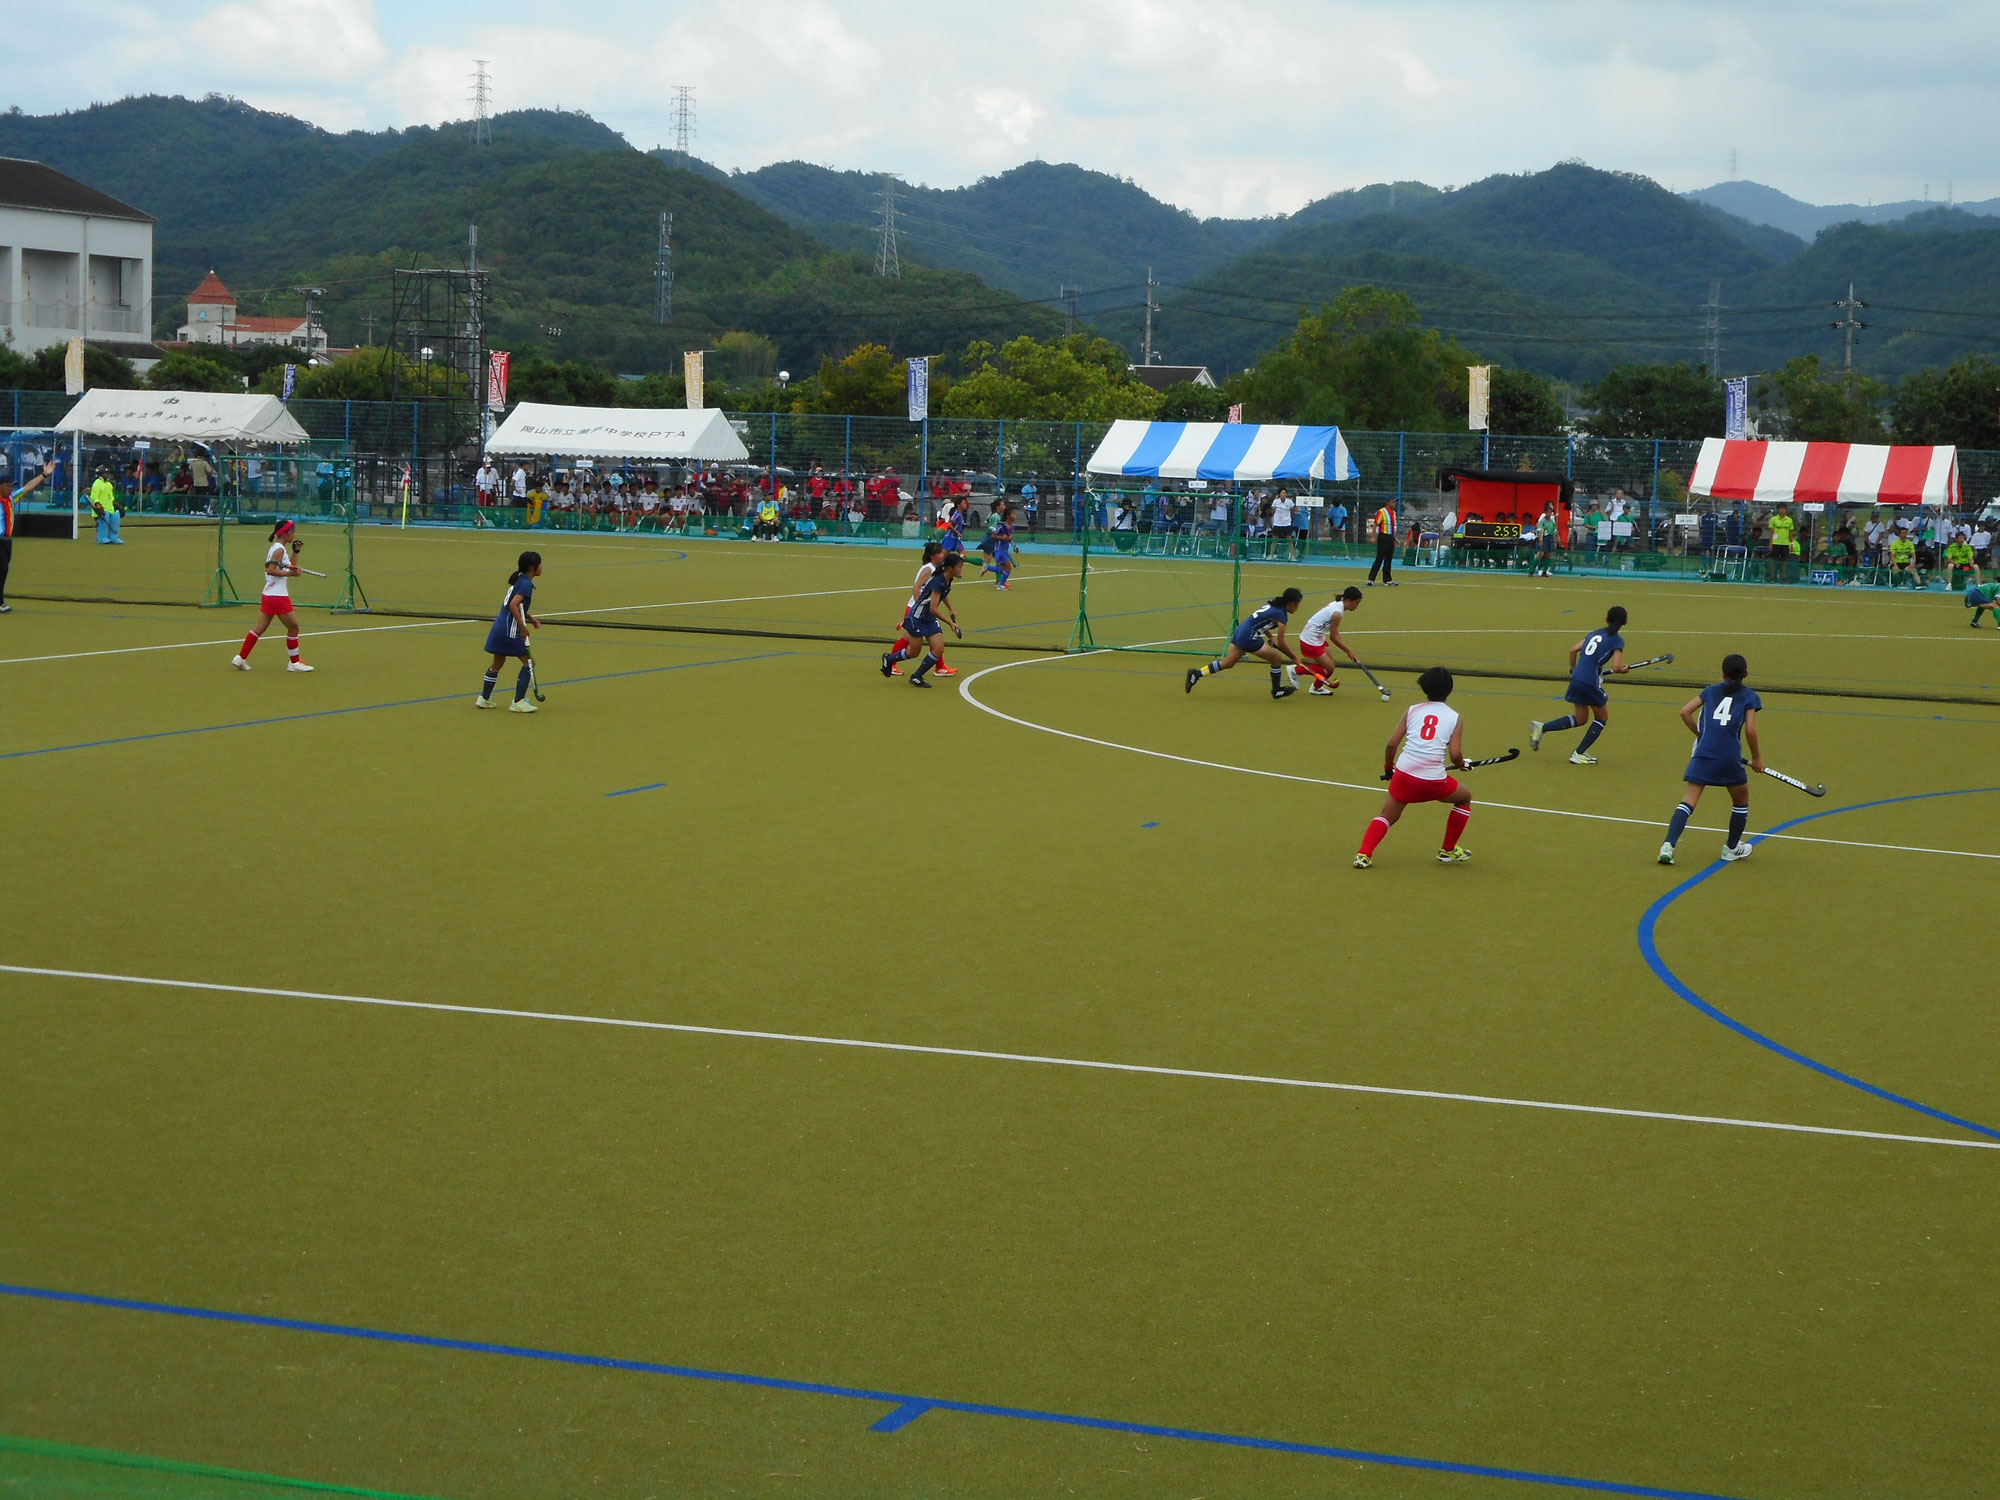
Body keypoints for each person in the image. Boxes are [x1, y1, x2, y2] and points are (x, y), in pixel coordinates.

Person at [1354, 666, 1475, 868]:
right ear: (1449, 690)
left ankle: (1363, 854)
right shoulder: (1455, 717)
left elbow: (1391, 745)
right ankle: (1447, 850)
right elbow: (1455, 755)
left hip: (1403, 775)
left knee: (1387, 816)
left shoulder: (1412, 710)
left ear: (1425, 689)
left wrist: (1388, 768)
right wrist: (1462, 765)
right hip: (1433, 782)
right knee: (1464, 798)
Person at [1658, 654, 1762, 865]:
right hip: (1729, 757)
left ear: (1722, 674)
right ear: (1746, 675)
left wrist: (1701, 736)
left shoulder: (1710, 691)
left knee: (1688, 801)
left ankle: (1668, 846)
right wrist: (1757, 758)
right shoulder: (1750, 696)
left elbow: (1685, 712)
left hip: (1703, 753)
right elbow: (1750, 730)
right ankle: (1731, 848)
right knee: (1741, 801)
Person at [1530, 605, 1629, 764]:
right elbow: (1617, 667)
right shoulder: (1618, 641)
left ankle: (1541, 728)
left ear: (1606, 619)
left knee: (1581, 718)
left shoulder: (1595, 633)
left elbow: (1573, 650)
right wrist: (1622, 670)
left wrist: (1574, 670)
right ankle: (1579, 753)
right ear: (1626, 622)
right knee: (1602, 716)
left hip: (1576, 678)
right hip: (1590, 682)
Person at [1184, 588, 1304, 700]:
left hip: (1241, 631)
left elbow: (1259, 621)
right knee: (1276, 658)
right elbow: (1281, 643)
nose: (1298, 607)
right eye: (1298, 604)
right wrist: (1294, 657)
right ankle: (1277, 690)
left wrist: (1270, 636)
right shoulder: (1281, 614)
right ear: (1292, 603)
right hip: (1249, 637)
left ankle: (1196, 674)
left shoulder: (1272, 605)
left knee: (1228, 663)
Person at [231, 519, 314, 673]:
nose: (294, 534)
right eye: (293, 531)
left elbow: (291, 567)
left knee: (259, 629)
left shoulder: (280, 548)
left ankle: (241, 658)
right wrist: (290, 574)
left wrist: (296, 553)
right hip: (277, 595)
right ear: (286, 533)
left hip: (269, 594)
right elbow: (270, 570)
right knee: (293, 627)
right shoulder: (279, 550)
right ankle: (294, 663)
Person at [882, 551, 963, 687]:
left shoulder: (947, 580)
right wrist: (950, 623)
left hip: (929, 619)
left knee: (938, 648)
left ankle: (917, 677)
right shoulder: (938, 581)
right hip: (917, 618)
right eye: (960, 566)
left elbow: (943, 594)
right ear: (950, 568)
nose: (961, 569)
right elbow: (933, 608)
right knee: (914, 652)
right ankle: (889, 659)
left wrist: (950, 608)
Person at [478, 550, 543, 713]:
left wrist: (530, 618)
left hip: (499, 627)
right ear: (532, 567)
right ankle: (518, 702)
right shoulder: (526, 584)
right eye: (540, 564)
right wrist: (523, 627)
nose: (542, 567)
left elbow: (516, 607)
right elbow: (514, 605)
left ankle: (484, 698)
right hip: (509, 631)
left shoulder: (520, 580)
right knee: (529, 663)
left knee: (497, 663)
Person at [0, 459, 56, 613]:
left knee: (3, 571)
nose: (11, 488)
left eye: (12, 485)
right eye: (9, 485)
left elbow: (28, 487)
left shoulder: (11, 498)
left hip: (6, 541)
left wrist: (44, 475)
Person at [1295, 586, 1365, 695]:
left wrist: (1347, 650)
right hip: (1310, 639)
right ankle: (1295, 671)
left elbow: (1335, 633)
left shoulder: (1338, 606)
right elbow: (1333, 637)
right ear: (1348, 600)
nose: (1357, 606)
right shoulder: (1337, 613)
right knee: (1329, 668)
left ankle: (1316, 688)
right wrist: (1348, 651)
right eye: (1357, 603)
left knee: (1329, 666)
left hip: (1317, 636)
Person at [986, 504, 1017, 589]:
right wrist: (1003, 538)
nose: (1015, 516)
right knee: (1008, 567)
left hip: (1005, 549)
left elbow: (1009, 537)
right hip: (999, 549)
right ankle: (1000, 585)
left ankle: (988, 568)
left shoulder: (1012, 526)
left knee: (1005, 569)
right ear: (1008, 516)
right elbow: (993, 535)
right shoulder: (1001, 526)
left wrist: (1010, 539)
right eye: (1013, 514)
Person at [89, 467, 123, 544]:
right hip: (102, 509)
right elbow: (94, 496)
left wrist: (115, 504)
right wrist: (98, 505)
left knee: (115, 519)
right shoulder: (97, 483)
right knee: (103, 523)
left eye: (107, 473)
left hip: (110, 508)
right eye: (105, 473)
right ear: (100, 474)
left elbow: (111, 497)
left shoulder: (109, 484)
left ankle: (114, 538)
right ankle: (102, 538)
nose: (107, 474)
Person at [1367, 500, 1398, 585]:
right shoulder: (1382, 511)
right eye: (1393, 502)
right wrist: (1373, 536)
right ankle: (1371, 579)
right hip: (1383, 537)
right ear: (1388, 502)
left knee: (1388, 559)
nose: (1394, 504)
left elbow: (1393, 526)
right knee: (1379, 558)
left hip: (1390, 538)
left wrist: (1395, 538)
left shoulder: (1393, 513)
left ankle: (1387, 580)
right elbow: (1375, 524)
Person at [1533, 501, 1558, 576]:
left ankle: (1545, 569)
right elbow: (1538, 525)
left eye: (1552, 506)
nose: (1551, 507)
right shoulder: (1543, 516)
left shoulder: (1552, 517)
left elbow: (1554, 529)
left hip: (1550, 537)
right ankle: (1538, 569)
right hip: (1543, 537)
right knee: (1541, 553)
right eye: (1550, 506)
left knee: (1548, 554)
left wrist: (1555, 540)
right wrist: (1541, 537)